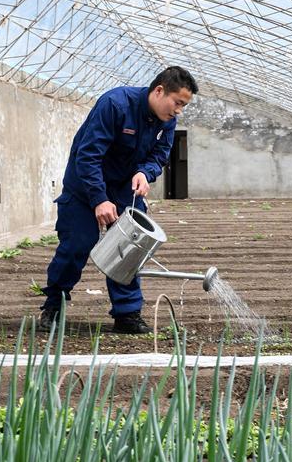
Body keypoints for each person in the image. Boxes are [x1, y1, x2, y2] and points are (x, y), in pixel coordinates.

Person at [39, 66, 198, 333]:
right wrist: (99, 199)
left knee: (130, 247)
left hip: (125, 191)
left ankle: (127, 314)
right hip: (85, 187)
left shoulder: (167, 121)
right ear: (159, 91)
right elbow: (88, 155)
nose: (179, 110)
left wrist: (144, 173)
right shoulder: (115, 104)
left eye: (184, 105)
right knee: (77, 244)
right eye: (178, 102)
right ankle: (54, 305)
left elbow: (159, 155)